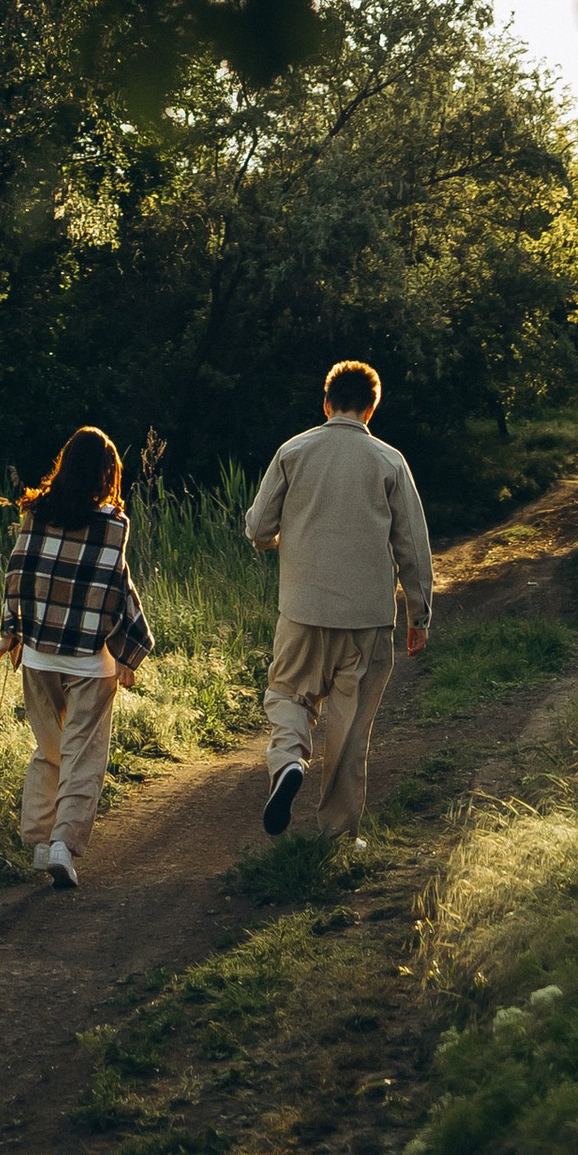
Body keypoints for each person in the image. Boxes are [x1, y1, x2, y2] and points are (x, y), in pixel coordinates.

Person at [245, 359, 433, 843]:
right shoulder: (389, 461)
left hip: (302, 611)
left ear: (326, 403)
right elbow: (412, 544)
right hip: (368, 619)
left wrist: (284, 541)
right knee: (350, 730)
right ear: (372, 408)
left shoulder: (294, 451)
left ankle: (288, 762)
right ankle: (337, 834)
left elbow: (258, 527)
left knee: (289, 694)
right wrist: (419, 613)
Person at [0, 424, 155, 890]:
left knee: (49, 749)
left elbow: (18, 574)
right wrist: (132, 650)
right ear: (107, 475)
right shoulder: (113, 526)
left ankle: (40, 840)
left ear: (64, 464)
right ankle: (63, 845)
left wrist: (11, 633)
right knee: (83, 756)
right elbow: (117, 590)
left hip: (40, 657)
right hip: (90, 662)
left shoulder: (35, 512)